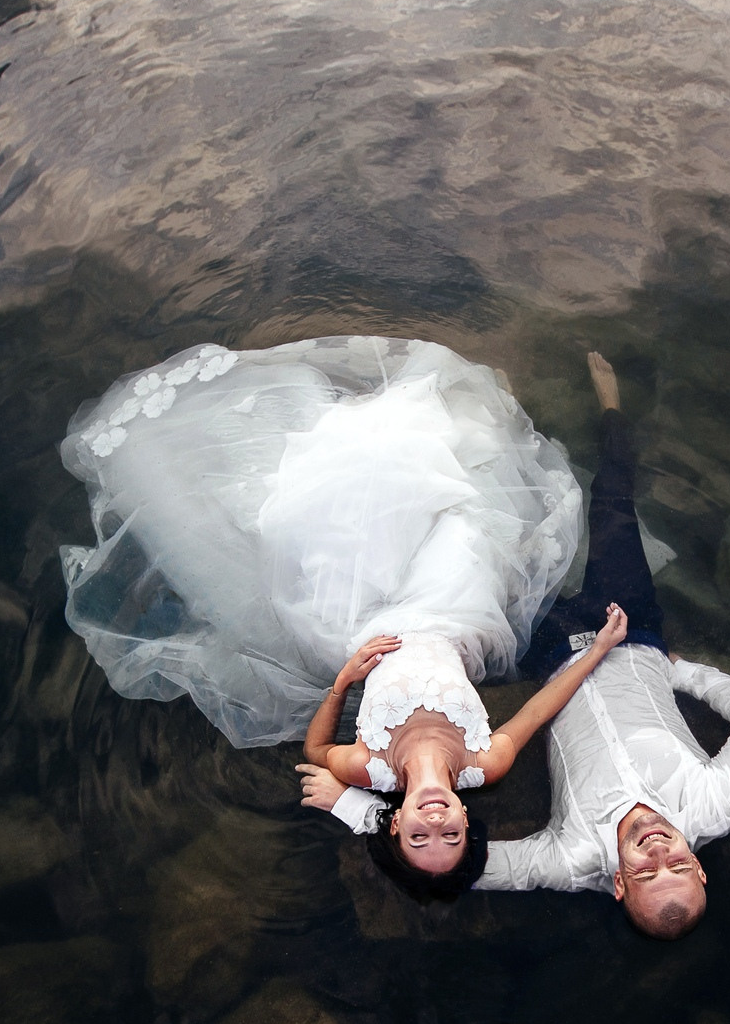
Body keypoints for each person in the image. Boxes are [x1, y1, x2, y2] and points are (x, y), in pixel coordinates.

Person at [55, 336, 630, 898]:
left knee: (310, 522)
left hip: (359, 630)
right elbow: (539, 706)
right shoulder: (487, 764)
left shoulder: (367, 768)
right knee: (465, 522)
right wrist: (598, 650)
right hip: (454, 618)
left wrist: (344, 681)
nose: (435, 821)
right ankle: (482, 419)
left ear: (396, 823)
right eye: (450, 833)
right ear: (464, 817)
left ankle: (366, 429)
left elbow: (314, 752)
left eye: (420, 834)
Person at [469, 353, 730, 936]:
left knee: (501, 552)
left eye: (645, 871)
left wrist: (357, 805)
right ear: (700, 869)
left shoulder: (571, 858)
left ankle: (506, 426)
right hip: (633, 629)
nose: (658, 849)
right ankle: (611, 404)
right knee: (613, 502)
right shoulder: (718, 804)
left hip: (553, 654)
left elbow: (467, 867)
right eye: (679, 864)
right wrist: (682, 674)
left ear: (617, 883)